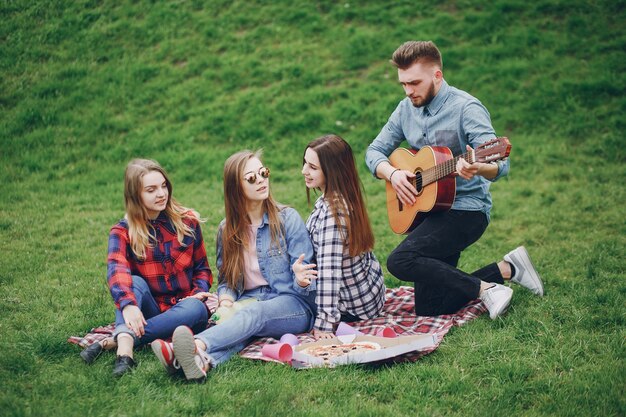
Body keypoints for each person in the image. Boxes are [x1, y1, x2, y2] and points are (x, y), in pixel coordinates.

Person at [365, 41, 544, 319]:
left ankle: (487, 289)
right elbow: (373, 152)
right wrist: (393, 173)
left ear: (437, 75)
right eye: (403, 84)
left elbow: (501, 164)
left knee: (400, 260)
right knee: (432, 309)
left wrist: (479, 168)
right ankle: (507, 269)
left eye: (414, 83)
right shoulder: (405, 109)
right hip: (428, 212)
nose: (408, 91)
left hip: (466, 211)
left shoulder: (466, 108)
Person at [153, 150, 316, 382]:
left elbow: (306, 278)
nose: (261, 180)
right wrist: (227, 301)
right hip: (247, 301)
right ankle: (200, 362)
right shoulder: (226, 229)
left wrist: (301, 279)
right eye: (251, 178)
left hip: (293, 303)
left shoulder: (287, 219)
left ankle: (195, 345)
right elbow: (227, 280)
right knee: (241, 325)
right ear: (235, 188)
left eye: (263, 172)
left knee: (253, 314)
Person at [79, 159, 212, 376]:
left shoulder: (187, 222)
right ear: (135, 195)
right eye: (151, 190)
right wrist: (128, 305)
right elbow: (116, 269)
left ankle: (116, 342)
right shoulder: (122, 231)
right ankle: (126, 353)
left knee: (197, 309)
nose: (161, 194)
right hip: (148, 307)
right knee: (134, 282)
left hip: (184, 310)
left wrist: (197, 294)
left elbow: (202, 268)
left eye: (163, 186)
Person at [301, 134, 386, 339]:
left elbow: (330, 272)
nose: (304, 171)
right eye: (305, 163)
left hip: (352, 305)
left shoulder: (334, 213)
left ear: (332, 171)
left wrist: (324, 323)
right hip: (368, 293)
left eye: (313, 167)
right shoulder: (339, 195)